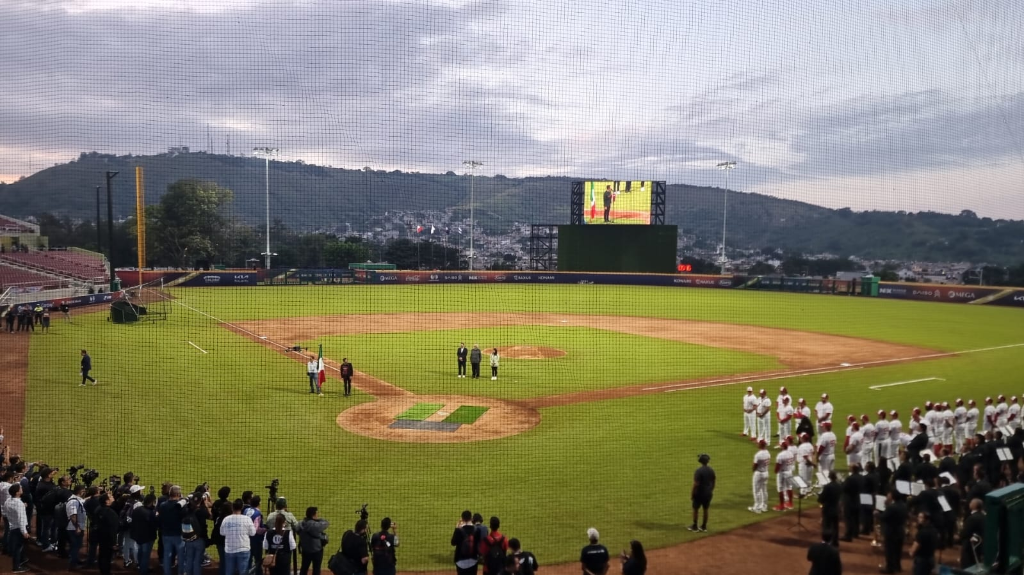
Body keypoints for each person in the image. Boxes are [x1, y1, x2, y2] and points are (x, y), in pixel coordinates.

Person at [220, 499, 256, 575]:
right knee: (243, 573)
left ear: (232, 507)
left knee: (229, 572)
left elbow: (222, 533)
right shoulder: (247, 519)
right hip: (243, 549)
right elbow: (253, 533)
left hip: (230, 550)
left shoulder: (226, 519)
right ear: (242, 507)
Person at [3, 483, 33, 573]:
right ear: (17, 493)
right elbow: (21, 519)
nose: (22, 488)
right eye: (20, 488)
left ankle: (21, 560)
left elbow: (8, 511)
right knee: (18, 548)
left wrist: (22, 506)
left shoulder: (8, 501)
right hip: (19, 528)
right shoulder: (19, 504)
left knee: (17, 547)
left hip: (12, 526)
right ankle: (16, 567)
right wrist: (24, 532)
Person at [159, 485, 187, 575]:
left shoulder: (162, 505)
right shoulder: (181, 506)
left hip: (166, 534)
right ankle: (181, 573)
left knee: (167, 555)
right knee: (181, 556)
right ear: (178, 494)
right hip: (178, 535)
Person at [878, 491, 908, 574]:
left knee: (889, 551)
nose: (887, 496)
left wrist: (877, 514)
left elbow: (884, 517)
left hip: (891, 531)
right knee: (898, 550)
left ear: (892, 496)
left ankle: (890, 568)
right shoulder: (904, 505)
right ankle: (897, 566)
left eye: (889, 494)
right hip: (900, 530)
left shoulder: (891, 507)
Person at [130, 494, 159, 575]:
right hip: (147, 538)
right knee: (145, 555)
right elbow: (155, 525)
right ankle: (143, 571)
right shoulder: (150, 513)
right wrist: (156, 517)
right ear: (152, 502)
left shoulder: (137, 509)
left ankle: (141, 567)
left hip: (138, 536)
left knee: (140, 552)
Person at [93, 490, 120, 575]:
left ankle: (103, 571)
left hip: (100, 536)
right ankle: (106, 572)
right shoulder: (110, 513)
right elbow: (112, 529)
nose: (113, 497)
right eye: (111, 497)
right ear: (107, 501)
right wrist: (113, 543)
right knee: (107, 557)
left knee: (102, 555)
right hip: (108, 538)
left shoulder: (98, 509)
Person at [298, 506, 329, 575]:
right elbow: (326, 523)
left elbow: (297, 529)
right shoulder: (316, 525)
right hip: (317, 551)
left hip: (305, 550)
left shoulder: (300, 524)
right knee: (316, 569)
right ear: (314, 515)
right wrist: (316, 520)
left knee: (304, 568)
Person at [689, 453, 715, 532]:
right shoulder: (711, 470)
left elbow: (696, 484)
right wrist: (710, 490)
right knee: (705, 509)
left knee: (695, 509)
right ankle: (704, 526)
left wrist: (692, 493)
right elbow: (713, 482)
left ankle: (695, 526)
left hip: (699, 493)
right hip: (708, 493)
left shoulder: (699, 471)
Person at [66, 483, 88, 570]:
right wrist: (77, 527)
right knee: (75, 546)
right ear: (80, 491)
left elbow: (82, 501)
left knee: (77, 545)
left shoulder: (77, 500)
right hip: (73, 528)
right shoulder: (73, 501)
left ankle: (76, 560)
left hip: (77, 527)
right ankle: (72, 565)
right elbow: (73, 516)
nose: (84, 492)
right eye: (83, 491)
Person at [960, 498, 985, 570]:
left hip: (970, 546)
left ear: (974, 505)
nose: (969, 503)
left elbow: (965, 533)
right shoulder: (983, 516)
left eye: (971, 502)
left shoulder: (972, 518)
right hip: (979, 545)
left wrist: (960, 535)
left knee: (967, 565)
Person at [817, 472, 841, 547]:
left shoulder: (827, 486)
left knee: (827, 526)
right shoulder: (839, 486)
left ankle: (826, 543)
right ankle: (835, 542)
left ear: (829, 477)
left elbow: (821, 499)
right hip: (836, 508)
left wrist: (820, 497)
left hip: (828, 509)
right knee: (835, 526)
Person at [840, 463, 862, 541]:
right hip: (858, 499)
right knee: (856, 518)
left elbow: (844, 488)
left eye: (850, 467)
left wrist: (841, 483)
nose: (848, 468)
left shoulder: (850, 478)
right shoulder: (861, 477)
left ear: (853, 469)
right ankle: (856, 533)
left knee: (848, 518)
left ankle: (848, 535)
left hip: (849, 500)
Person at [451, 511, 477, 575]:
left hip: (460, 562)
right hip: (473, 561)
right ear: (471, 518)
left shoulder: (459, 530)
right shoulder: (476, 530)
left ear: (462, 519)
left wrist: (456, 528)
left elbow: (453, 543)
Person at [773, 438, 795, 511]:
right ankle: (790, 503)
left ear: (782, 446)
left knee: (780, 489)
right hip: (789, 471)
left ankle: (782, 505)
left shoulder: (780, 455)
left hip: (782, 473)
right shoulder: (790, 453)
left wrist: (775, 471)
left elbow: (777, 466)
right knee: (789, 487)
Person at [750, 440, 770, 513]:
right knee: (764, 490)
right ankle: (764, 506)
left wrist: (753, 469)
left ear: (760, 445)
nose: (757, 444)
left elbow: (754, 465)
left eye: (758, 444)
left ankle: (757, 508)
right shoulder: (768, 453)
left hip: (759, 473)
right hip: (766, 473)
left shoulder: (758, 455)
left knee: (756, 491)